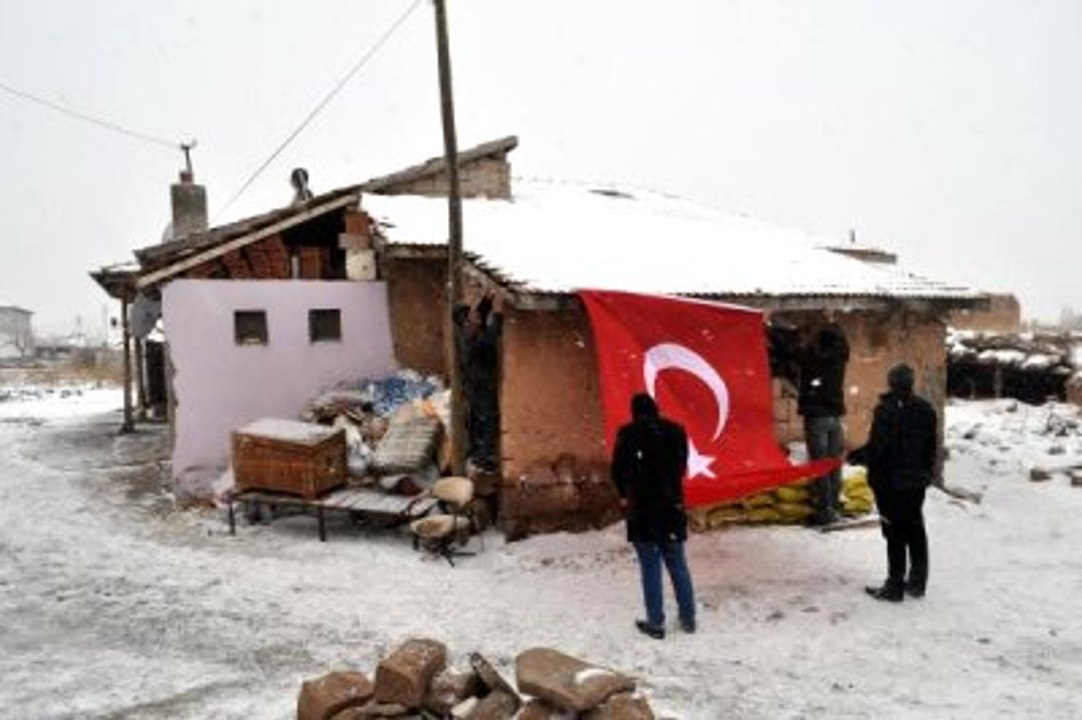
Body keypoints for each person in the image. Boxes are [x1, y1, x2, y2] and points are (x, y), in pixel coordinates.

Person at [848, 363, 938, 602]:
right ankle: (917, 582)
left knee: (895, 533)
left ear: (891, 383)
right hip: (916, 482)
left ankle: (894, 585)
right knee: (915, 529)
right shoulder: (926, 410)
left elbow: (879, 448)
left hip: (892, 483)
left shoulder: (886, 411)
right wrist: (925, 473)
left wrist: (857, 456)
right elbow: (931, 448)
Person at [611, 393, 696, 640]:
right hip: (671, 506)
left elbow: (618, 468)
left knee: (650, 566)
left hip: (643, 509)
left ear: (634, 411)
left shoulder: (628, 433)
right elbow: (681, 466)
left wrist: (624, 493)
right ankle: (688, 618)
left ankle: (656, 622)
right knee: (678, 563)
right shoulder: (676, 431)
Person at [797, 317, 850, 525]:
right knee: (833, 464)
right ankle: (834, 505)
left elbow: (797, 350)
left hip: (817, 417)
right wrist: (833, 322)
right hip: (835, 418)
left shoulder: (812, 357)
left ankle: (824, 511)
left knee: (820, 465)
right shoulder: (840, 357)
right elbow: (843, 343)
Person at [453, 293, 502, 472]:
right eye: (472, 315)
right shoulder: (472, 336)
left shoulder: (469, 329)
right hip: (480, 384)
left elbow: (479, 313)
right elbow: (491, 336)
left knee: (476, 418)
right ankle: (484, 457)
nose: (477, 316)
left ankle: (476, 452)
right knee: (488, 418)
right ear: (467, 321)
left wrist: (487, 300)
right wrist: (497, 316)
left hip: (475, 383)